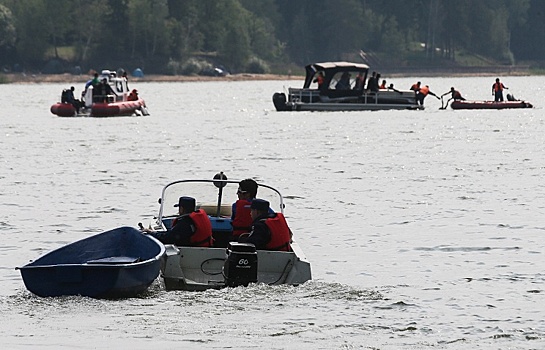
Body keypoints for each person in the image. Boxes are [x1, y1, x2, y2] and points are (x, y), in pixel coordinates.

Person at [142, 196, 213, 247]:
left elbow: (168, 238)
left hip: (192, 253)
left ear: (181, 209)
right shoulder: (197, 218)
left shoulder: (185, 223)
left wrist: (151, 233)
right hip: (205, 248)